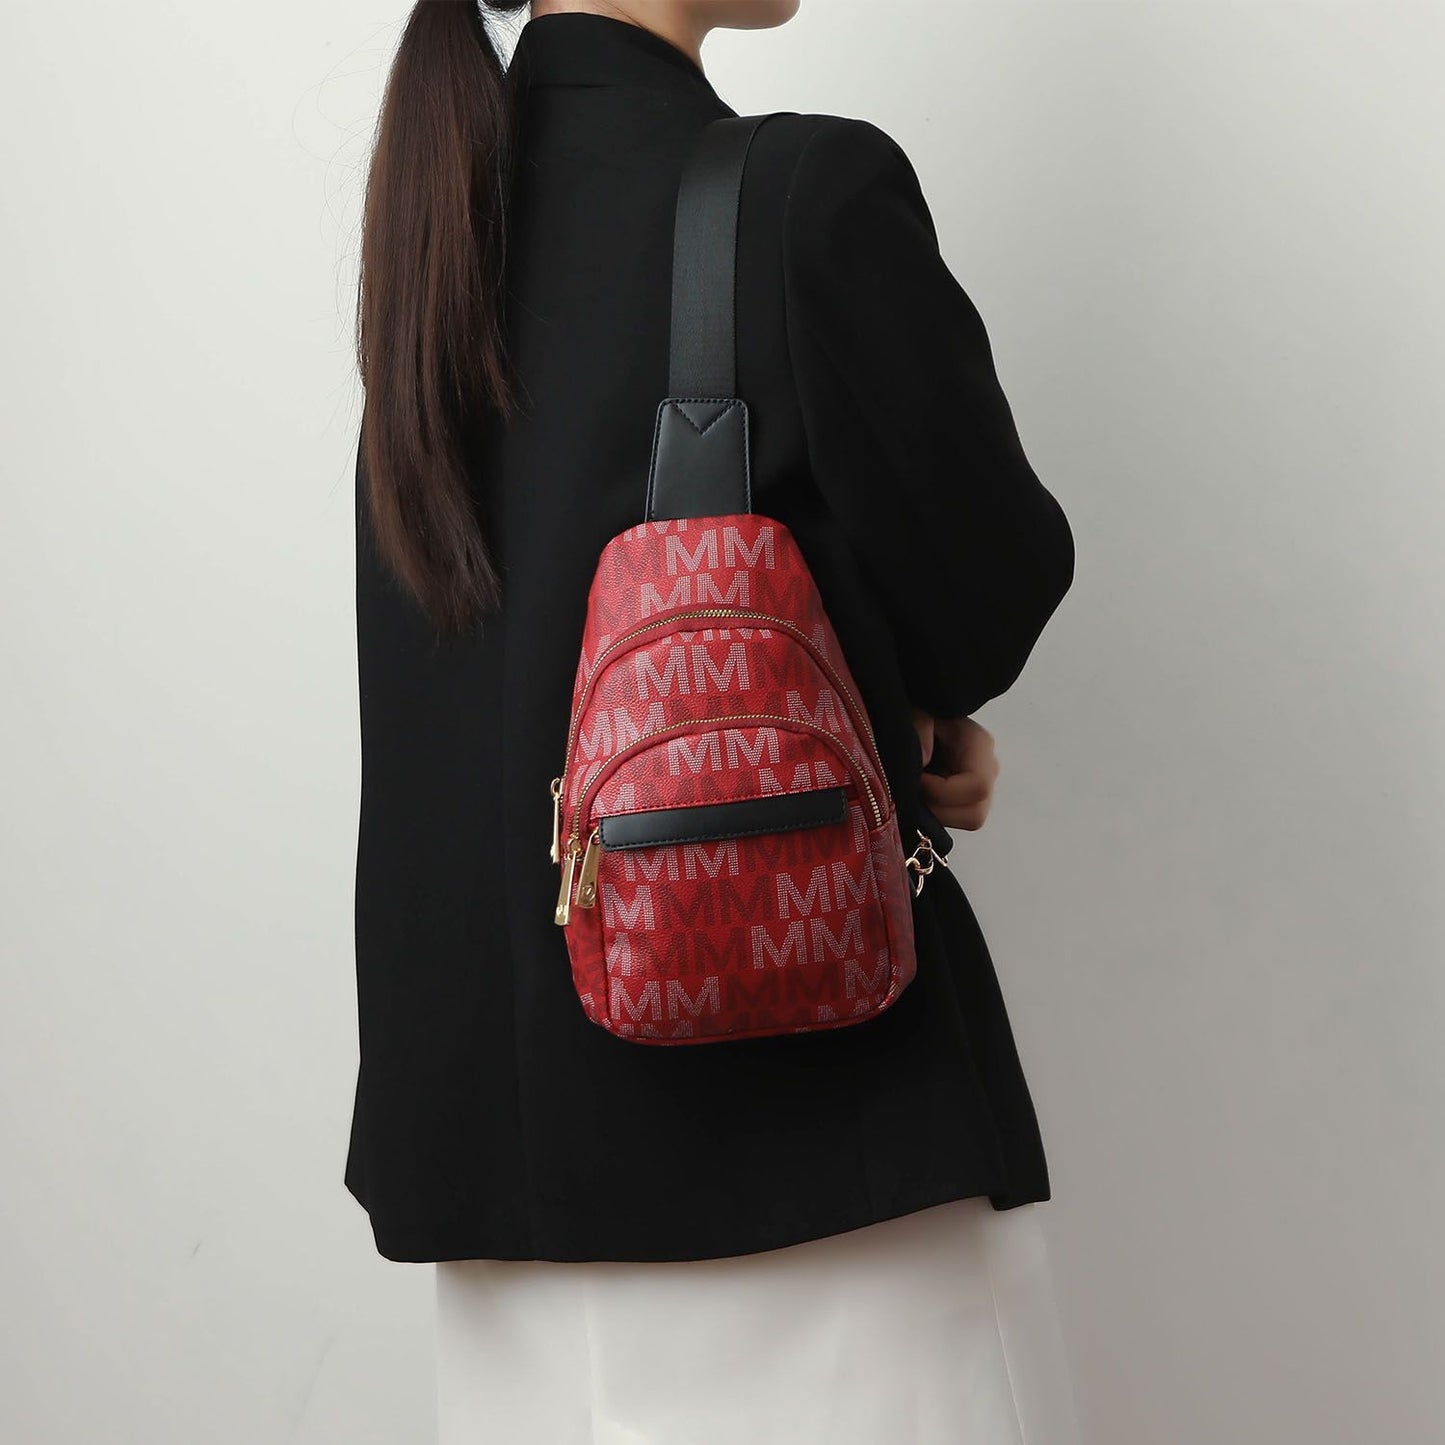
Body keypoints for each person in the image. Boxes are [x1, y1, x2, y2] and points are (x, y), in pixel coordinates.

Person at [347, 2, 1080, 1439]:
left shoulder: (434, 247)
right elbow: (990, 590)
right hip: (814, 1214)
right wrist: (913, 706)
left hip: (503, 1267)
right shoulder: (803, 200)